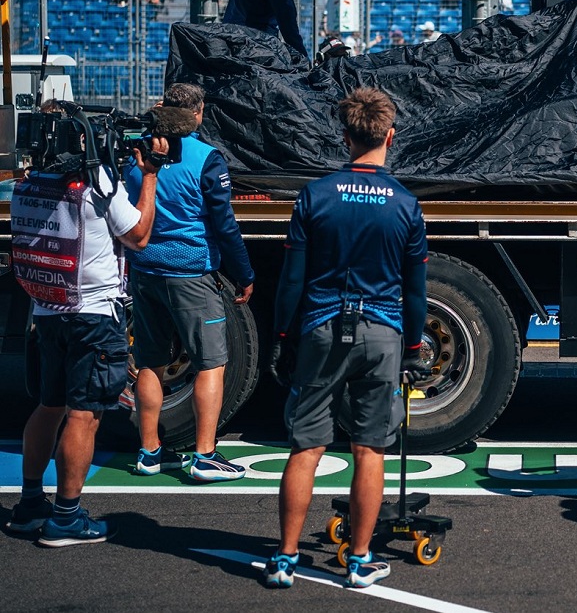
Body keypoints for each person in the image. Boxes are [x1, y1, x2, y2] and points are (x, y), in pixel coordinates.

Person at [263, 87, 429, 589]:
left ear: (345, 135)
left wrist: (282, 336)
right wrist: (416, 346)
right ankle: (358, 561)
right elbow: (415, 290)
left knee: (306, 446)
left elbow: (292, 279)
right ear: (390, 136)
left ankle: (286, 558)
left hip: (321, 326)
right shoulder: (404, 204)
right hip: (382, 332)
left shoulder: (315, 195)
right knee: (369, 448)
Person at [8, 107, 168, 545]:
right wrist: (149, 176)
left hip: (47, 310)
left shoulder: (26, 184)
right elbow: (137, 235)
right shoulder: (97, 184)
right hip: (94, 315)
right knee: (84, 415)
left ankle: (29, 503)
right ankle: (66, 517)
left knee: (49, 406)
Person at [124, 83, 255, 483]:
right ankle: (204, 456)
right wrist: (244, 273)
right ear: (197, 113)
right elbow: (225, 226)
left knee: (149, 362)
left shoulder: (137, 156)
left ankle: (149, 453)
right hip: (192, 275)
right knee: (210, 364)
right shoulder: (206, 158)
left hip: (145, 270)